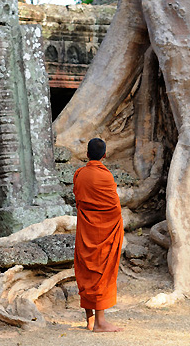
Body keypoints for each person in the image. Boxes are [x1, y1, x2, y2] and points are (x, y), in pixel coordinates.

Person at [73, 138, 124, 332]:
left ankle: (90, 320)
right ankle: (101, 322)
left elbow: (78, 199)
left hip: (86, 230)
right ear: (104, 155)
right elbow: (114, 207)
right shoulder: (106, 177)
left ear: (87, 155)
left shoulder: (79, 174)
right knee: (101, 272)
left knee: (87, 271)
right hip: (105, 231)